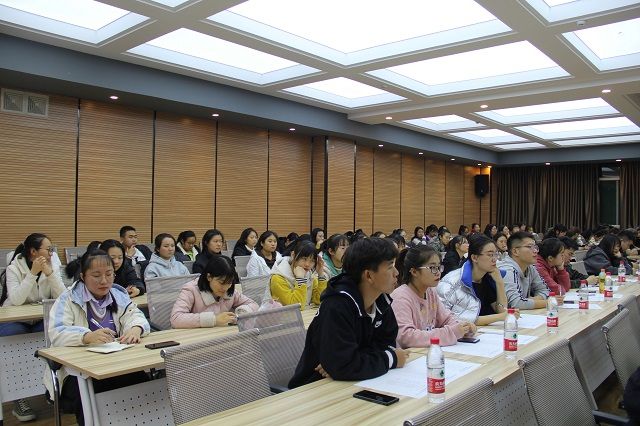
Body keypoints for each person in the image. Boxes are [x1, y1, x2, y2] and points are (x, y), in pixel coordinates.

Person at [288, 238, 409, 388]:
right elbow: (344, 365)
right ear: (369, 275)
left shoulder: (381, 301)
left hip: (357, 382)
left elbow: (385, 345)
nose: (397, 273)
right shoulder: (337, 306)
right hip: (314, 386)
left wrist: (350, 363)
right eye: (390, 267)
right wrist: (392, 359)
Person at [48, 249, 150, 425]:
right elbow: (57, 332)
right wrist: (86, 336)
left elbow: (135, 315)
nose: (104, 281)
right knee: (88, 391)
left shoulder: (118, 295)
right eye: (96, 275)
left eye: (109, 274)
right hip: (79, 371)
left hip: (117, 363)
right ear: (83, 276)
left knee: (143, 383)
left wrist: (136, 328)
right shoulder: (68, 299)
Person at [0, 233, 66, 422]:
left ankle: (52, 389)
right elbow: (16, 300)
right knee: (15, 336)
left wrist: (50, 274)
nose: (51, 253)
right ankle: (18, 398)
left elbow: (62, 295)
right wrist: (32, 274)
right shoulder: (14, 268)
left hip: (39, 318)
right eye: (48, 249)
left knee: (56, 336)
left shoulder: (52, 264)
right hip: (15, 319)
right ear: (33, 252)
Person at [391, 246, 475, 348]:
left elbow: (446, 319)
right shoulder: (400, 297)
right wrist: (452, 332)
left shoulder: (430, 291)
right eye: (432, 268)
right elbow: (406, 337)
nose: (438, 272)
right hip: (411, 355)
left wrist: (462, 327)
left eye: (439, 267)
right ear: (414, 272)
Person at [438, 236, 510, 325]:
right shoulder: (453, 282)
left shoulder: (489, 277)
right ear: (474, 258)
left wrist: (499, 282)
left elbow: (502, 310)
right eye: (490, 255)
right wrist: (499, 317)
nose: (495, 259)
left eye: (496, 254)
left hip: (487, 330)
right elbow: (449, 319)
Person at [171, 256, 258, 328]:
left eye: (229, 282)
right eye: (221, 282)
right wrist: (214, 319)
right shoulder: (190, 289)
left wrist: (241, 313)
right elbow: (176, 318)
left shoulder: (230, 291)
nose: (225, 288)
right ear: (209, 277)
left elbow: (253, 304)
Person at [268, 240, 327, 309]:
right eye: (304, 259)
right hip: (284, 315)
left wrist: (321, 274)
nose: (307, 264)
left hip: (305, 314)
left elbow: (319, 300)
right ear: (293, 255)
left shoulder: (309, 275)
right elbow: (296, 307)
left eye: (312, 261)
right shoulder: (277, 278)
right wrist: (300, 279)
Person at [497, 232, 549, 310]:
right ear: (515, 251)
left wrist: (529, 301)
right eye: (529, 247)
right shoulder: (507, 270)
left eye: (535, 247)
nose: (535, 251)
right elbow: (516, 304)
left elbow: (545, 290)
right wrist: (549, 302)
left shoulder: (530, 267)